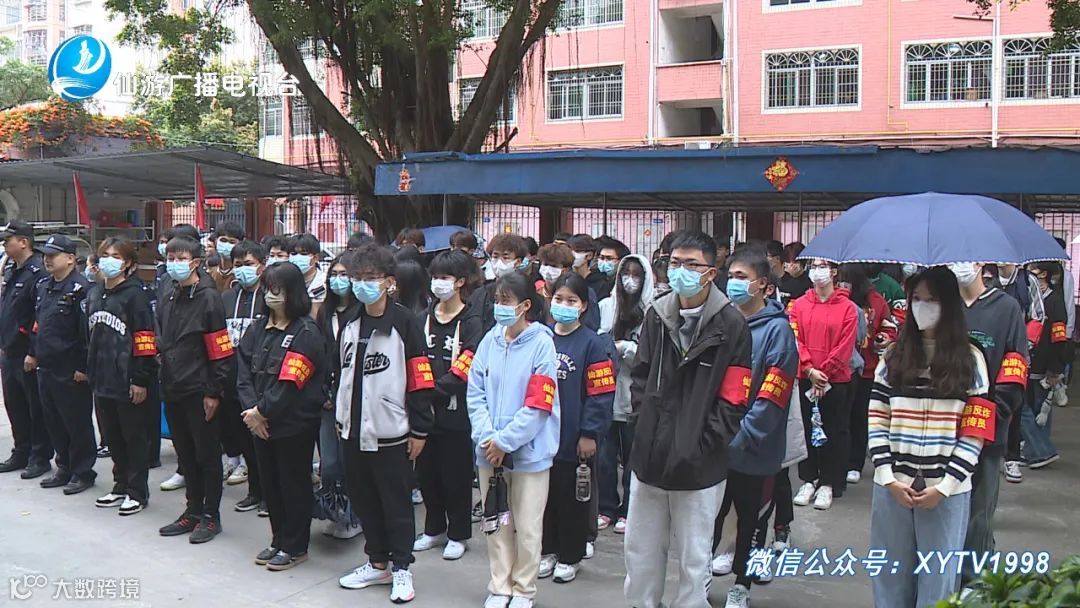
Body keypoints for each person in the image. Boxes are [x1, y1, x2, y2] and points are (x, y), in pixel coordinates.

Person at [624, 231, 752, 608]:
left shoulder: (731, 324)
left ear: (711, 272)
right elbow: (640, 377)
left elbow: (734, 398)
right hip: (649, 457)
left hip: (700, 465)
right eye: (674, 262)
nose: (680, 270)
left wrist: (701, 444)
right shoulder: (658, 314)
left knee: (694, 558)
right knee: (641, 553)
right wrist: (643, 426)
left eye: (691, 264)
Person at [868, 266, 991, 608]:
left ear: (949, 304)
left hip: (946, 491)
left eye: (932, 300)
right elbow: (877, 417)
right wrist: (888, 476)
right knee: (890, 576)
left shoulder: (971, 360)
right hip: (893, 485)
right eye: (917, 299)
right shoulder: (893, 356)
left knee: (939, 580)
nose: (922, 307)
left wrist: (946, 486)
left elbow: (975, 431)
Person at [336, 244, 434, 604]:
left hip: (391, 432)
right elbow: (341, 372)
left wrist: (420, 428)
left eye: (370, 278)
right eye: (357, 278)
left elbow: (420, 379)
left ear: (389, 282)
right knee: (364, 500)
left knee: (395, 503)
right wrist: (339, 414)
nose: (362, 285)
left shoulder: (405, 323)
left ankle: (402, 567)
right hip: (351, 429)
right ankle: (377, 562)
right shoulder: (349, 320)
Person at [466, 272, 559, 608]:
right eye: (497, 300)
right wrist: (487, 437)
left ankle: (523, 589)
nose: (499, 307)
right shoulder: (489, 341)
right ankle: (500, 585)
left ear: (525, 306)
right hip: (489, 451)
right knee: (496, 522)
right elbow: (475, 392)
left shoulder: (542, 344)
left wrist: (506, 441)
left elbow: (539, 404)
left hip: (529, 452)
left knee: (528, 525)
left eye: (506, 301)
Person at [712, 248, 799, 608]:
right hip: (716, 441)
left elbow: (772, 394)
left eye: (741, 277)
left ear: (763, 284)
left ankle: (742, 585)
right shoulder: (722, 321)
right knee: (711, 515)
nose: (733, 283)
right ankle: (701, 577)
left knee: (753, 518)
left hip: (754, 447)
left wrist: (742, 435)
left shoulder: (778, 331)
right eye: (730, 276)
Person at [238, 261, 327, 571]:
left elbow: (291, 382)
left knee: (293, 484)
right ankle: (278, 539)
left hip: (293, 423)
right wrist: (252, 411)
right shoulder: (257, 328)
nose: (271, 295)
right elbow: (243, 371)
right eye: (268, 289)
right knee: (270, 483)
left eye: (278, 290)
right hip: (259, 424)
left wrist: (263, 411)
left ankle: (295, 545)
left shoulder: (306, 332)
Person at [948, 261, 1027, 588]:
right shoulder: (942, 304)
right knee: (942, 510)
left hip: (987, 430)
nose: (958, 265)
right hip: (941, 428)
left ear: (981, 263)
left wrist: (991, 415)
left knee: (978, 515)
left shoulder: (1006, 308)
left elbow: (1015, 368)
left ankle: (973, 583)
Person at [156, 236, 236, 544]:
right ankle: (192, 509)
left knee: (206, 454)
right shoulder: (169, 293)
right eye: (171, 257)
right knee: (185, 453)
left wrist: (213, 391)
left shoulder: (209, 298)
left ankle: (210, 515)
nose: (174, 263)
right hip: (173, 385)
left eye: (181, 258)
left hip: (199, 389)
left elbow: (221, 350)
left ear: (196, 262)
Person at [539, 273, 615, 584]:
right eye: (559, 299)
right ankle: (547, 550)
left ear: (583, 306)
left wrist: (589, 433)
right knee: (544, 499)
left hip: (574, 438)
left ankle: (570, 555)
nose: (564, 305)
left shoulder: (593, 344)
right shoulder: (541, 338)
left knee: (573, 500)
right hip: (542, 437)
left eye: (572, 301)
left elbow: (601, 394)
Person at [413, 250, 482, 561]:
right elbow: (413, 357)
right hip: (424, 411)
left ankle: (458, 533)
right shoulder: (422, 318)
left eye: (445, 277)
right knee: (427, 473)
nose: (438, 283)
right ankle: (434, 528)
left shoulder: (471, 321)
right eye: (435, 277)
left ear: (460, 282)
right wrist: (420, 394)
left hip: (456, 412)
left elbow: (468, 363)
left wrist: (435, 390)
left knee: (456, 476)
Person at [88, 237, 158, 516]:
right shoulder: (95, 293)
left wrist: (140, 378)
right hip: (102, 378)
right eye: (105, 254)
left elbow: (145, 339)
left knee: (134, 438)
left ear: (128, 263)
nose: (109, 260)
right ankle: (120, 485)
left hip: (128, 380)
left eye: (116, 256)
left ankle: (137, 491)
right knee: (112, 437)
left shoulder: (135, 296)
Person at [29, 235, 96, 495]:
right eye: (45, 255)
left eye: (53, 255)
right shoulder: (44, 286)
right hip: (46, 365)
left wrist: (83, 367)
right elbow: (39, 324)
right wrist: (34, 353)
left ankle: (82, 471)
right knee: (54, 421)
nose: (47, 260)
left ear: (70, 258)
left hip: (70, 369)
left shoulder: (81, 289)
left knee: (76, 422)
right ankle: (64, 466)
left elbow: (86, 333)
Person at [789, 259, 858, 510]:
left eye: (822, 266)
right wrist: (809, 369)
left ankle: (829, 482)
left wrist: (824, 373)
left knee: (834, 431)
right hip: (805, 376)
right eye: (814, 266)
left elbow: (845, 345)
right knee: (806, 429)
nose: (817, 271)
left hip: (835, 380)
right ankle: (808, 479)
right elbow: (795, 338)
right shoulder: (799, 305)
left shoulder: (848, 308)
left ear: (833, 272)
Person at [597, 254, 654, 535]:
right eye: (625, 274)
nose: (630, 280)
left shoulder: (653, 311)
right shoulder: (606, 306)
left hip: (635, 395)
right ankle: (606, 507)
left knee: (633, 457)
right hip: (606, 391)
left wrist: (627, 349)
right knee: (605, 458)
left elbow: (650, 355)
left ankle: (629, 510)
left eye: (636, 275)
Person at [314, 252, 364, 540]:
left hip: (355, 398)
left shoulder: (361, 312)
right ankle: (336, 511)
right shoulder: (325, 313)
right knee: (330, 462)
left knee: (351, 462)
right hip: (328, 397)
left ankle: (355, 516)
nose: (338, 280)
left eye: (345, 274)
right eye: (334, 274)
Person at [0, 220, 53, 478]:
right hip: (8, 350)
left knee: (34, 406)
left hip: (26, 352)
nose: (4, 245)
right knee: (15, 404)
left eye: (8, 240)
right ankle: (21, 450)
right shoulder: (12, 268)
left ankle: (39, 456)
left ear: (23, 242)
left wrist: (33, 351)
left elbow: (39, 316)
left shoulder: (37, 272)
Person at [222, 240, 269, 513]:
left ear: (262, 266)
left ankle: (269, 496)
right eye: (238, 265)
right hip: (231, 379)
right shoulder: (227, 297)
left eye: (248, 264)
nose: (242, 270)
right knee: (242, 440)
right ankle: (255, 490)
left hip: (259, 382)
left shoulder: (269, 297)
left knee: (262, 441)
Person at [841, 264, 896, 485]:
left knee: (860, 417)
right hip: (841, 369)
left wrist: (883, 338)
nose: (842, 285)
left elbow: (889, 326)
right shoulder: (836, 300)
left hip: (868, 368)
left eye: (846, 281)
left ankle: (855, 463)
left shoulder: (876, 301)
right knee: (841, 418)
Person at [1018, 262, 1065, 469]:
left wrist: (1055, 369)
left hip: (1044, 365)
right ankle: (1035, 450)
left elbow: (1059, 338)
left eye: (1033, 269)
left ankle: (1041, 451)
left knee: (1037, 411)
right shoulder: (1031, 298)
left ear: (1043, 274)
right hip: (1030, 362)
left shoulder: (1054, 301)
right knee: (1030, 408)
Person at [467, 233, 530, 333]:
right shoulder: (480, 293)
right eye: (495, 257)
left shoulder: (527, 291)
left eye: (506, 258)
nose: (499, 262)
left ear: (517, 262)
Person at [536, 243, 600, 331]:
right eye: (545, 264)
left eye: (554, 266)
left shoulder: (584, 292)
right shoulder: (536, 292)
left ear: (565, 269)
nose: (548, 270)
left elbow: (592, 325)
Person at [290, 234, 326, 318]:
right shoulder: (285, 281)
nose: (297, 257)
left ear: (316, 258)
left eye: (303, 254)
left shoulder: (325, 282)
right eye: (294, 253)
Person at [567, 234, 608, 299]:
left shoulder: (600, 284)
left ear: (590, 255)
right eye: (569, 250)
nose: (572, 254)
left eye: (577, 251)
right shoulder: (565, 280)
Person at [208, 220, 245, 292]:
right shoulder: (210, 272)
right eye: (223, 240)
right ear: (216, 241)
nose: (226, 245)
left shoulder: (241, 274)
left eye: (232, 242)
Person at [778, 242, 812, 307]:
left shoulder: (808, 284)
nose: (791, 265)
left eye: (795, 262)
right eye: (788, 261)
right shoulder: (779, 281)